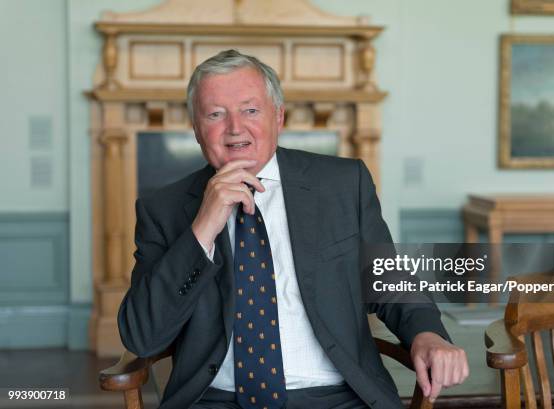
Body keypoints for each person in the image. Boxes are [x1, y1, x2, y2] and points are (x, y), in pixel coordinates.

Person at [118, 49, 468, 409]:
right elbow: (142, 336)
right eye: (215, 114)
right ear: (196, 128)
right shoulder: (164, 209)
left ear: (279, 117)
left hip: (337, 396)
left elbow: (390, 282)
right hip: (216, 400)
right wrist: (202, 228)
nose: (235, 128)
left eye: (250, 110)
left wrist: (428, 334)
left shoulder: (343, 184)